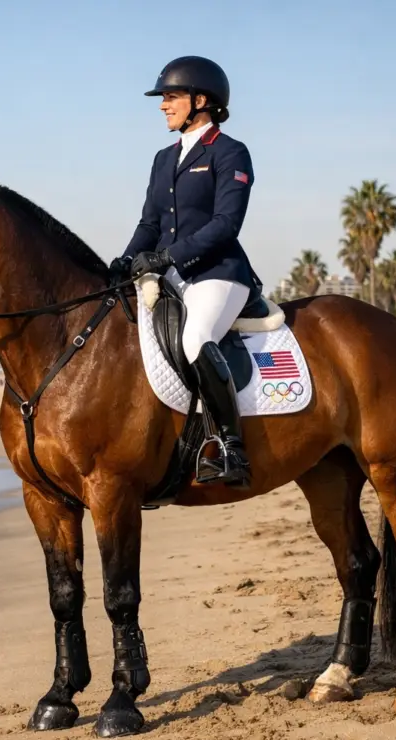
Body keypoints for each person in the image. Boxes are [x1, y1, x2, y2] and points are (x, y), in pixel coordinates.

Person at [112, 55, 264, 488]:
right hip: (172, 273)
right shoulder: (163, 159)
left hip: (219, 273)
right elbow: (150, 224)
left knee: (196, 337)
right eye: (164, 97)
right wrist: (126, 260)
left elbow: (225, 225)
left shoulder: (230, 152)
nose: (163, 105)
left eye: (171, 96)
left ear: (201, 100)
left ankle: (233, 446)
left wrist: (166, 258)